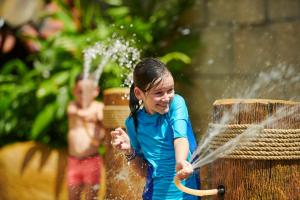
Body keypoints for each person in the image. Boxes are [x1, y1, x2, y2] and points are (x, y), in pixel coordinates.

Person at [111, 58, 200, 200]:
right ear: (139, 93)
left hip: (186, 194)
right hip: (154, 195)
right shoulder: (133, 123)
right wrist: (129, 151)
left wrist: (181, 161)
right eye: (158, 93)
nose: (166, 98)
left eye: (170, 90)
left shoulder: (176, 104)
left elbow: (180, 138)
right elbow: (143, 171)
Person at [67, 74, 105, 200]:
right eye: (80, 92)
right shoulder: (73, 106)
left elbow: (103, 118)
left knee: (91, 196)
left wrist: (98, 118)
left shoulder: (98, 107)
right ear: (74, 91)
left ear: (95, 91)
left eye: (87, 92)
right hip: (74, 161)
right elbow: (73, 112)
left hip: (92, 160)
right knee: (72, 196)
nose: (83, 96)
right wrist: (88, 115)